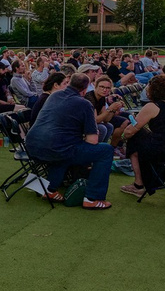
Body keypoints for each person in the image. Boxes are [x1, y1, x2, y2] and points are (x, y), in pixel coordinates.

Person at [25, 73, 114, 209]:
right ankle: (92, 198)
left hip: (31, 146)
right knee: (106, 151)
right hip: (56, 149)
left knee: (64, 147)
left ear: (69, 83)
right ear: (84, 90)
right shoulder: (85, 103)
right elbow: (93, 140)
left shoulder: (54, 95)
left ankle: (50, 189)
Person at [120, 75, 165, 196]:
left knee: (134, 138)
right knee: (141, 136)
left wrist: (123, 137)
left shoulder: (153, 106)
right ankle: (154, 179)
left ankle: (138, 184)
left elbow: (131, 131)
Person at [85, 75, 129, 146]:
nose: (105, 90)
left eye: (108, 88)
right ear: (96, 86)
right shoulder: (90, 97)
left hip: (92, 122)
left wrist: (114, 109)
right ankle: (95, 148)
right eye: (102, 87)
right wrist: (110, 108)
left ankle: (103, 147)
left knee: (109, 126)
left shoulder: (101, 98)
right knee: (102, 128)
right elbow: (96, 120)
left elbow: (106, 119)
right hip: (83, 123)